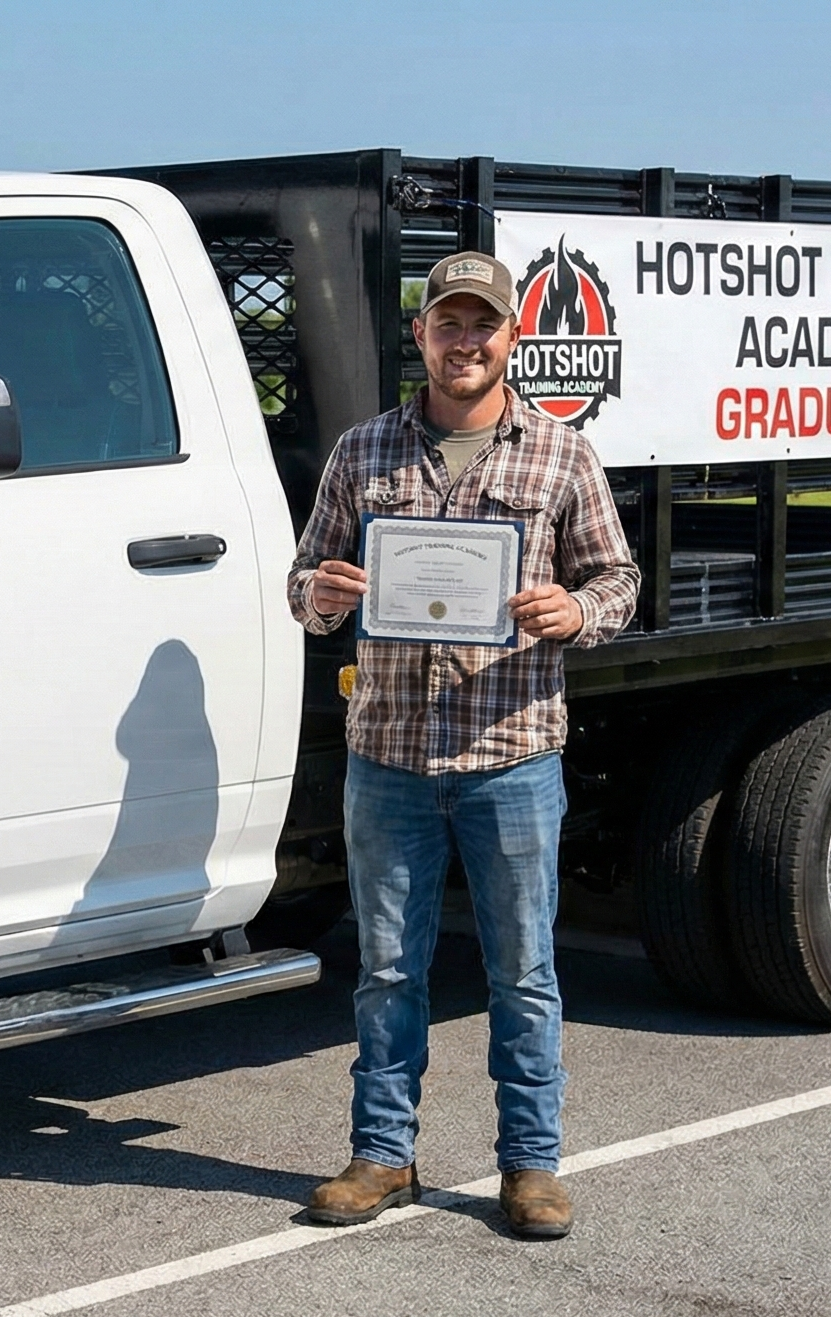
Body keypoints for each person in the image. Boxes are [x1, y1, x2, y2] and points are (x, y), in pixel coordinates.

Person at [284, 251, 639, 1240]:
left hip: (511, 755)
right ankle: (380, 1155)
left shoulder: (558, 455)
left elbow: (617, 579)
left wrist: (572, 610)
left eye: (481, 325)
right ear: (422, 336)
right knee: (388, 970)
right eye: (446, 323)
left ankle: (528, 1167)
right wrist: (319, 596)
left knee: (521, 970)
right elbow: (302, 576)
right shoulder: (362, 452)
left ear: (510, 339)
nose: (463, 341)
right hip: (388, 757)